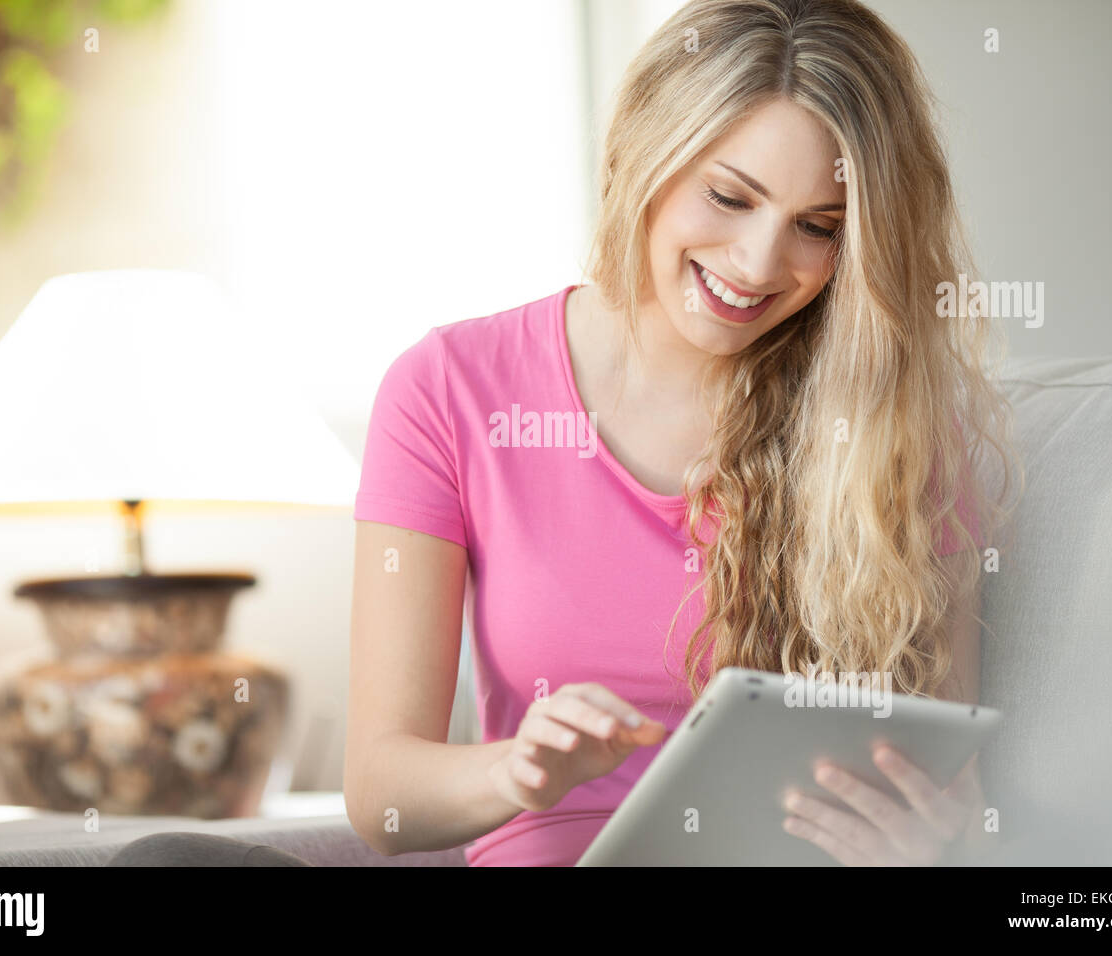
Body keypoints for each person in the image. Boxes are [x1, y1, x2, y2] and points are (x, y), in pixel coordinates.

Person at [110, 0, 1020, 867]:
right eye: (730, 197)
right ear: (649, 152)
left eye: (817, 228)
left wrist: (938, 849)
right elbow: (383, 797)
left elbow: (954, 776)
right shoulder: (449, 389)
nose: (757, 264)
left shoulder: (888, 429)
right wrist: (514, 769)